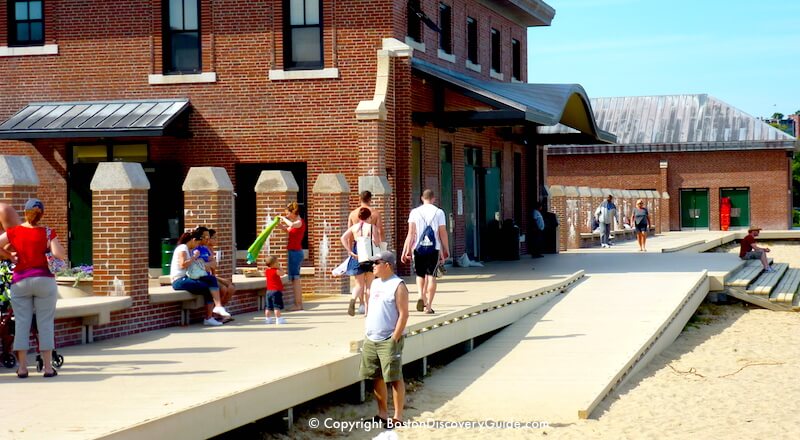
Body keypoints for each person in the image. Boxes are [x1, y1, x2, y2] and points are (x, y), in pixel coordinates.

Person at [0, 198, 65, 378]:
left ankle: (22, 368)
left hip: (20, 281)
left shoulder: (14, 231)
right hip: (45, 280)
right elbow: (60, 254)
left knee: (21, 323)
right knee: (45, 323)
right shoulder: (47, 232)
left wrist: (9, 255)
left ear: (26, 213)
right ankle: (48, 368)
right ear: (41, 214)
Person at [359, 251, 409, 428]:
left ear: (387, 265)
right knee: (376, 376)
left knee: (394, 377)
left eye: (376, 263)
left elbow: (404, 314)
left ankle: (398, 417)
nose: (373, 266)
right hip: (371, 337)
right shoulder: (374, 283)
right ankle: (382, 414)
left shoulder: (398, 285)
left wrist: (394, 337)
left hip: (389, 338)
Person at [401, 189, 449, 314]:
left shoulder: (414, 212)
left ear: (422, 198)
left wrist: (405, 250)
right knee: (432, 276)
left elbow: (410, 233)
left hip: (418, 248)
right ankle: (429, 307)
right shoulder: (439, 212)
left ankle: (420, 296)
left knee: (420, 275)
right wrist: (446, 249)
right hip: (434, 248)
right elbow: (442, 232)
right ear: (433, 199)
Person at [170, 229, 231, 326]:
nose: (197, 245)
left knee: (211, 280)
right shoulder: (182, 248)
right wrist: (194, 257)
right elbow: (182, 265)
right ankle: (209, 317)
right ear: (193, 240)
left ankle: (217, 308)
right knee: (208, 287)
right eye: (197, 243)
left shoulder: (187, 249)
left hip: (188, 277)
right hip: (179, 280)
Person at [341, 207, 381, 316]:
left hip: (358, 256)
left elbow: (343, 238)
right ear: (369, 217)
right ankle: (367, 311)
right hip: (370, 258)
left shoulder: (354, 228)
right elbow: (376, 242)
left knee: (358, 284)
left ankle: (353, 299)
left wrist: (349, 251)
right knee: (369, 286)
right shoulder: (372, 227)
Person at [197, 227, 236, 318]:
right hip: (203, 276)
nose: (216, 240)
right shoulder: (201, 249)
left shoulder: (209, 250)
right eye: (213, 238)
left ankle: (220, 310)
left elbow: (213, 267)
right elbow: (203, 266)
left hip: (210, 276)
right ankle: (216, 314)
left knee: (230, 287)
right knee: (223, 289)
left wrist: (219, 279)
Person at [278, 202, 305, 310]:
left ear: (293, 212)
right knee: (295, 279)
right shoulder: (295, 222)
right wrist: (278, 224)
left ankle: (298, 305)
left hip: (295, 253)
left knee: (295, 279)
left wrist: (282, 218)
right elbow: (287, 229)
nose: (287, 216)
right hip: (294, 252)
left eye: (288, 214)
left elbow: (291, 225)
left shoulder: (299, 222)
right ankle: (298, 304)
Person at [263, 255, 286, 325]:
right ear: (274, 264)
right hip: (276, 291)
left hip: (268, 291)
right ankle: (278, 319)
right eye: (277, 262)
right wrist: (279, 267)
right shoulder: (276, 271)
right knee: (276, 306)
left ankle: (267, 319)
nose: (278, 263)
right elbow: (283, 273)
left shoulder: (267, 271)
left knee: (268, 307)